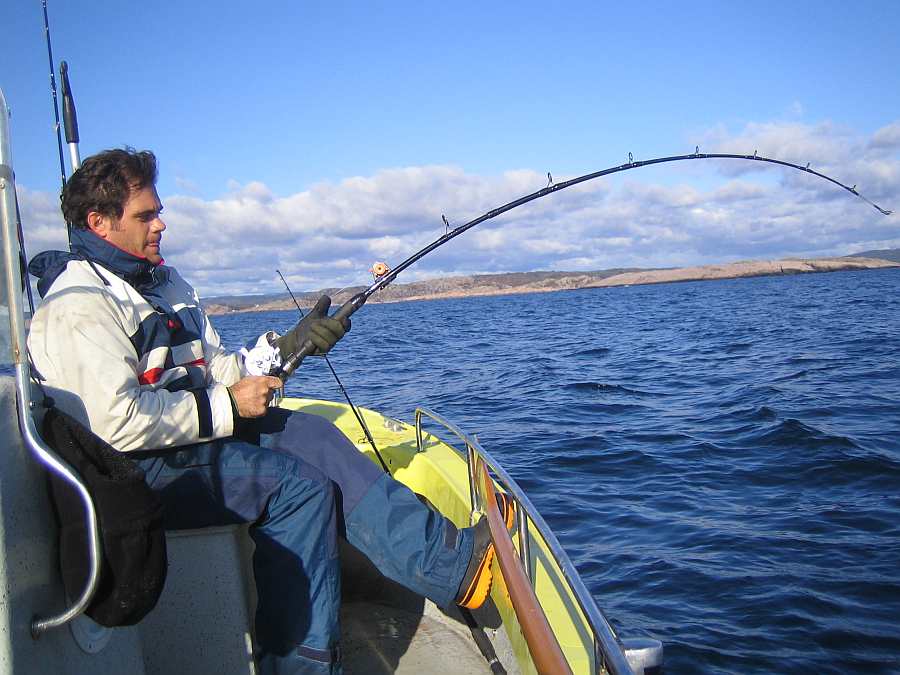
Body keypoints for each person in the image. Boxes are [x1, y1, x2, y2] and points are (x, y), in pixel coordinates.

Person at [26, 148, 499, 674]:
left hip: (188, 442)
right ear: (99, 221)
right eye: (145, 215)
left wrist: (294, 343)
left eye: (158, 210)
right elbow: (115, 426)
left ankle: (451, 564)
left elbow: (219, 368)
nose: (162, 223)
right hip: (134, 474)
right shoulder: (78, 306)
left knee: (314, 437)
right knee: (296, 488)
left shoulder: (166, 283)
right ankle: (300, 666)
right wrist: (228, 408)